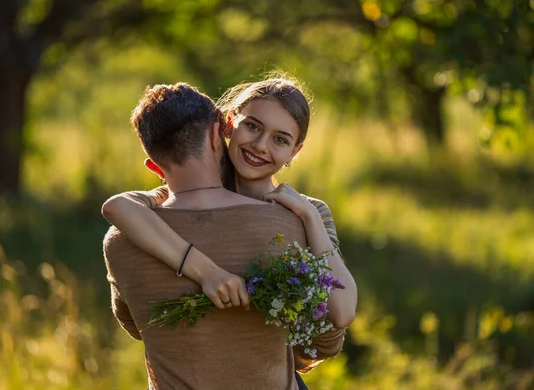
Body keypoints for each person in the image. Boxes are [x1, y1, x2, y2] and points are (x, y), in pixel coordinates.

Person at [103, 77, 358, 377]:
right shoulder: (179, 201)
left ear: (295, 151)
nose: (260, 146)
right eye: (252, 126)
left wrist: (310, 215)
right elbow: (118, 207)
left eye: (280, 139)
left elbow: (340, 314)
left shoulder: (308, 213)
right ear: (228, 124)